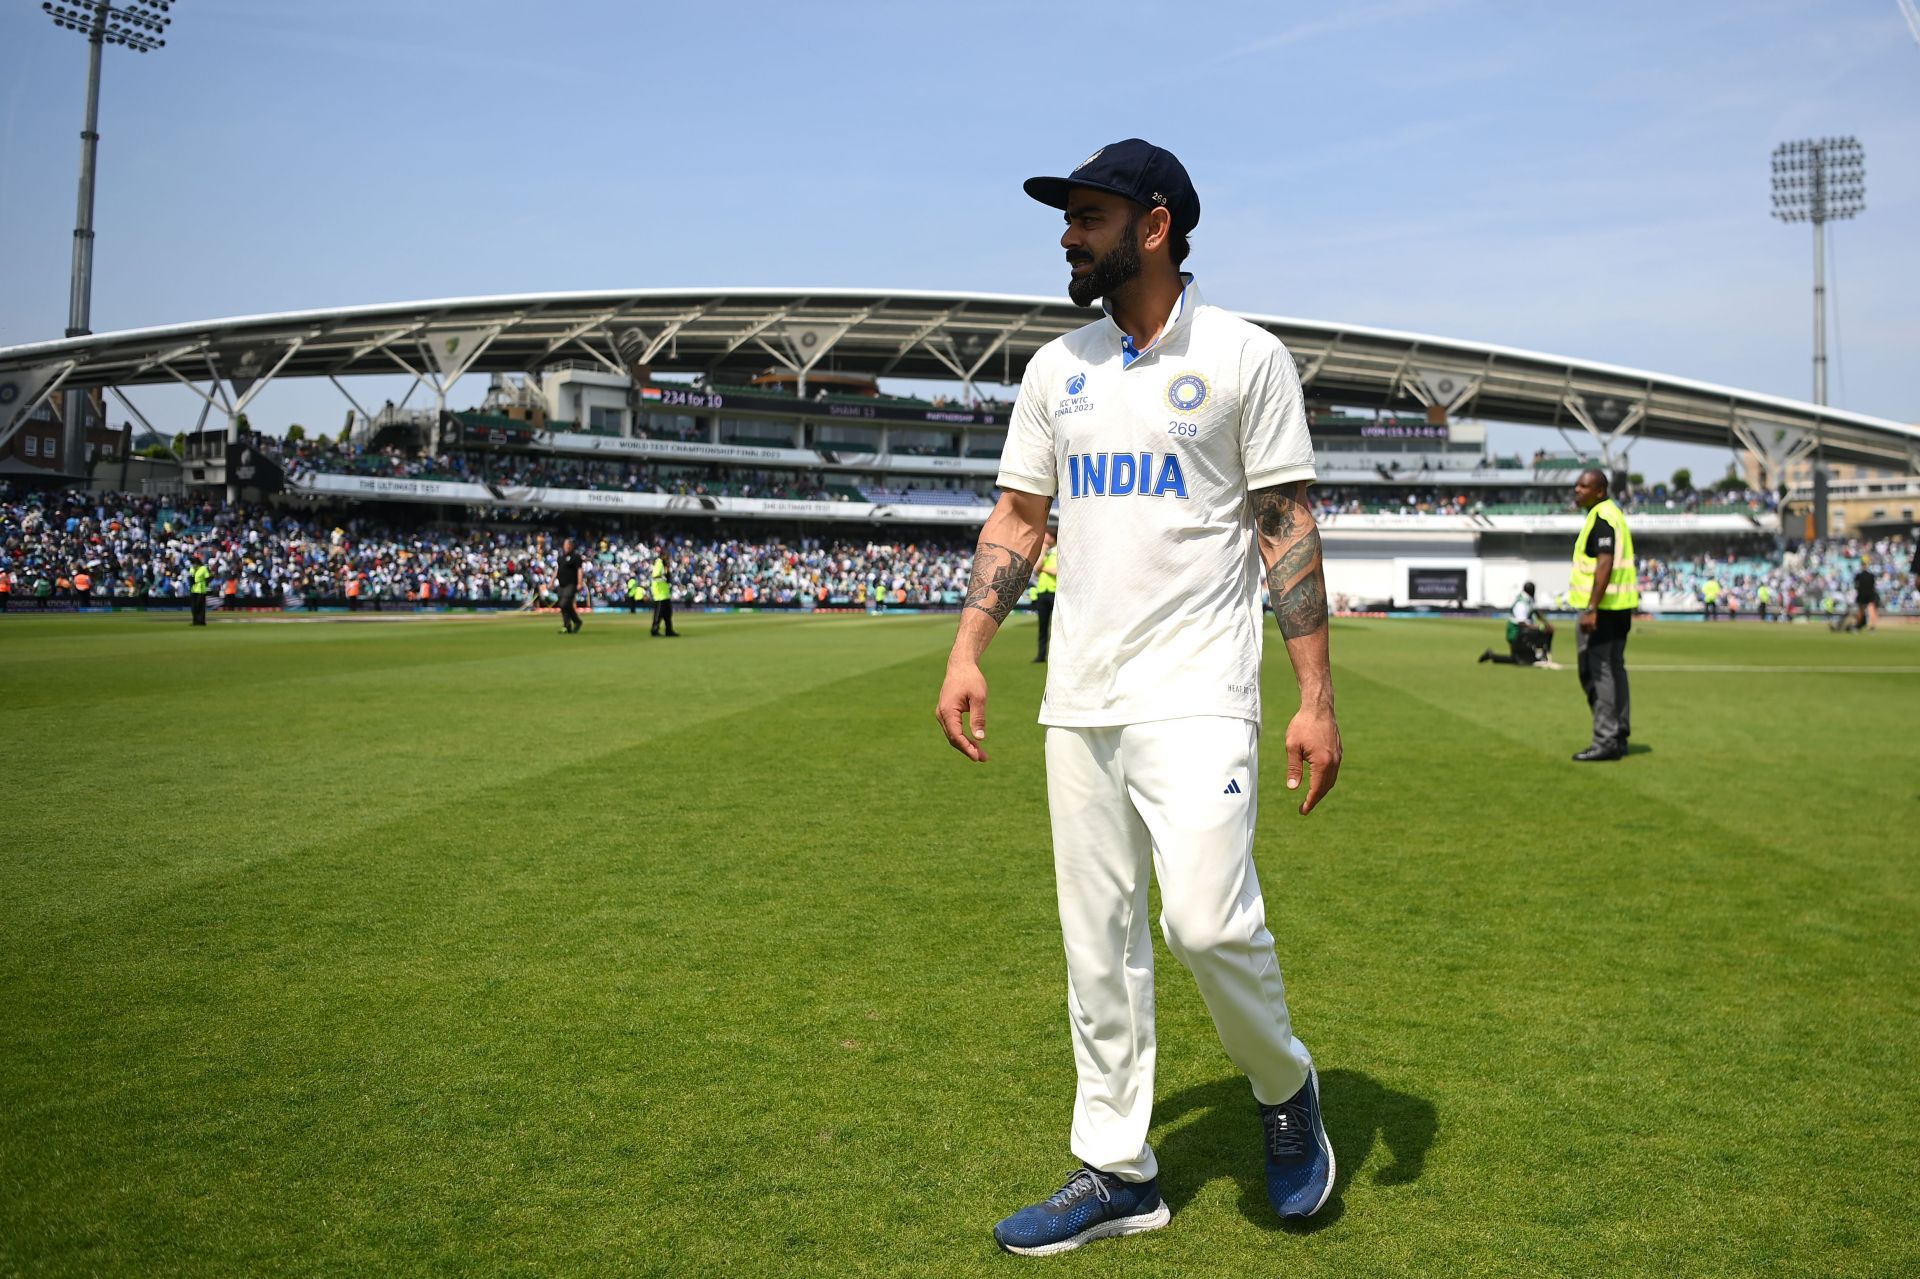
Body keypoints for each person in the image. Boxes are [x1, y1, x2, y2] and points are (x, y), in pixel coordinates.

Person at [935, 138, 1341, 1257]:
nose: (1068, 231)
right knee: (1097, 943)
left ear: (1154, 226)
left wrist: (1315, 697)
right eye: (1066, 216)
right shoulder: (1055, 368)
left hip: (1202, 691)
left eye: (1087, 214)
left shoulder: (1247, 356)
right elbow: (1019, 520)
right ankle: (1118, 1167)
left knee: (1206, 923)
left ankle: (1285, 1085)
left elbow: (1285, 525)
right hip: (1081, 700)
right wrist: (969, 648)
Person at [1569, 469, 1638, 761]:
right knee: (1615, 668)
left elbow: (1605, 564)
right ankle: (1619, 733)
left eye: (1583, 486)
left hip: (1603, 610)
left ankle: (1605, 739)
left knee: (1598, 674)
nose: (1577, 489)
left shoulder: (1601, 518)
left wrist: (1591, 608)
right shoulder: (1614, 514)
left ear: (1599, 491)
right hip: (1619, 607)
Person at [1479, 581, 1554, 665]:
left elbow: (1536, 612)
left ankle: (1491, 655)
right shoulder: (1521, 603)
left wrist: (1547, 624)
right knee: (1523, 660)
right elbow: (1522, 623)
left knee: (1517, 660)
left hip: (1523, 632)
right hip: (1516, 633)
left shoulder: (1528, 599)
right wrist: (1540, 627)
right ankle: (1541, 654)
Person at [1029, 530, 1058, 662]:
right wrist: (1042, 553)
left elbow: (1056, 571)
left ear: (1053, 536)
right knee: (1043, 627)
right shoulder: (1044, 552)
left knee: (1058, 627)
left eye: (1047, 535)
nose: (1044, 537)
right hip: (1042, 593)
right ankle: (1041, 655)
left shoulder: (1059, 551)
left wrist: (1043, 569)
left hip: (1055, 592)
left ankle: (1057, 656)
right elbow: (1036, 568)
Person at [555, 537, 584, 634]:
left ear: (571, 546)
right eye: (565, 545)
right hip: (561, 584)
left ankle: (575, 621)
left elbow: (579, 570)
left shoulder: (576, 557)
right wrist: (551, 582)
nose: (566, 547)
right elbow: (557, 570)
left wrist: (580, 582)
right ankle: (567, 625)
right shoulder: (561, 558)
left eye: (568, 545)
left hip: (571, 584)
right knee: (563, 606)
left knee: (564, 603)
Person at [650, 551, 678, 637]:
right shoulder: (659, 563)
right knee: (659, 613)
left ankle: (669, 630)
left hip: (665, 594)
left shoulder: (665, 566)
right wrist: (664, 577)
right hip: (659, 594)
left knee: (668, 614)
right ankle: (654, 630)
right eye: (667, 556)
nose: (668, 559)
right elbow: (655, 576)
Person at [1851, 564, 1879, 632]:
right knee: (1871, 610)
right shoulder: (1871, 575)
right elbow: (1874, 585)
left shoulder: (1859, 575)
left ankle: (1857, 627)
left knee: (1861, 611)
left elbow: (1855, 586)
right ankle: (1872, 627)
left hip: (1862, 594)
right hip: (1870, 594)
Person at [189, 557, 211, 626]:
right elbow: (191, 577)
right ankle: (195, 621)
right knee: (194, 606)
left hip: (201, 590)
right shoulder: (192, 569)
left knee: (200, 606)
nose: (193, 565)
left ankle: (201, 621)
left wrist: (206, 585)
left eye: (194, 563)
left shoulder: (203, 568)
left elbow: (207, 578)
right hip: (193, 589)